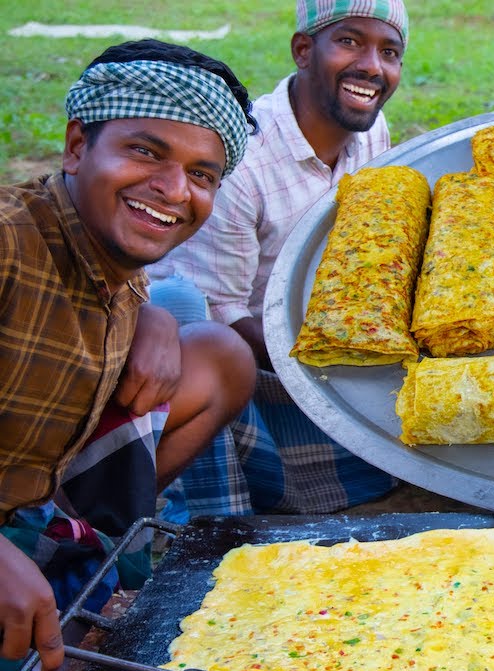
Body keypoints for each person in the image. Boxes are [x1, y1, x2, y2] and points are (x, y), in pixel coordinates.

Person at [0, 39, 256, 671]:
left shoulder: (115, 263)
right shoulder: (9, 246)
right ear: (78, 144)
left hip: (31, 500)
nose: (173, 191)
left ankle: (87, 566)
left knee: (222, 357)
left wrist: (153, 315)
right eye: (145, 151)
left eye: (202, 174)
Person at [147, 0, 409, 519]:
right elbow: (218, 310)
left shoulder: (371, 133)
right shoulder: (242, 163)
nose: (372, 68)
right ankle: (210, 516)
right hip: (245, 361)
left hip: (323, 339)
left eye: (390, 52)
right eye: (350, 41)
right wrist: (332, 368)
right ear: (303, 50)